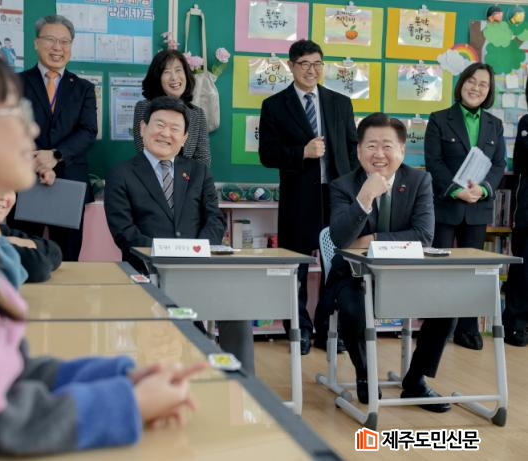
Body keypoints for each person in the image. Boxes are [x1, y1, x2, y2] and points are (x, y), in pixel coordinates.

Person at [0, 42, 203, 459]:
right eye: (12, 113)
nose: (32, 131)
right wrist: (130, 403)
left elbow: (11, 372)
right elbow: (0, 419)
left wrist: (122, 377)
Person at [105, 97, 255, 374]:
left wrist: (195, 253)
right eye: (159, 125)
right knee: (182, 333)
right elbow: (124, 232)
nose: (166, 133)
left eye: (175, 128)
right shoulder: (121, 174)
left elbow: (214, 219)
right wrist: (167, 255)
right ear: (143, 128)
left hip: (197, 270)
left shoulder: (198, 171)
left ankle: (242, 384)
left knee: (236, 308)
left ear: (185, 137)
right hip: (147, 273)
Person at [327, 112, 452, 412]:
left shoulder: (419, 180)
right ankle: (364, 375)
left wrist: (372, 240)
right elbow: (340, 239)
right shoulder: (343, 186)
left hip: (406, 276)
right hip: (354, 276)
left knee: (449, 304)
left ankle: (416, 379)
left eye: (387, 146)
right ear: (359, 150)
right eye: (371, 146)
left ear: (402, 150)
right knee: (353, 308)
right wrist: (364, 199)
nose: (379, 154)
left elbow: (423, 236)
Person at [259, 39, 358, 355]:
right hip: (298, 198)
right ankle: (298, 330)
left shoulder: (340, 103)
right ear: (291, 66)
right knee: (296, 267)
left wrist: (355, 190)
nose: (311, 70)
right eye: (304, 64)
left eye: (317, 64)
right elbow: (267, 154)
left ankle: (329, 330)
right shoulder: (274, 105)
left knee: (337, 267)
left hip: (337, 197)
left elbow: (352, 150)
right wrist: (301, 152)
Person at [424, 62, 506, 351]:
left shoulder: (495, 124)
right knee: (440, 270)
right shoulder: (439, 119)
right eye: (472, 81)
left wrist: (482, 190)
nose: (476, 88)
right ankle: (436, 328)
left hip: (477, 207)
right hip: (446, 205)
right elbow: (434, 162)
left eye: (483, 84)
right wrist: (457, 191)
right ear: (461, 84)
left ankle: (467, 329)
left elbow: (498, 165)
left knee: (474, 271)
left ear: (489, 91)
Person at [7, 15, 98, 261]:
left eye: (64, 41)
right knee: (23, 255)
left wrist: (55, 156)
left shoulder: (84, 88)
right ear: (36, 43)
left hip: (69, 182)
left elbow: (88, 131)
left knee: (68, 258)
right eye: (50, 39)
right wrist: (37, 160)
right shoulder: (15, 83)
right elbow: (9, 127)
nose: (57, 47)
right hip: (25, 179)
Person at [133, 49, 210, 166]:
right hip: (152, 175)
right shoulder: (144, 107)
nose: (174, 77)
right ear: (157, 77)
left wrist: (187, 177)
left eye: (178, 70)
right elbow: (144, 150)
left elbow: (203, 158)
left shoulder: (197, 113)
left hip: (188, 176)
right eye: (166, 72)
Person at [503, 81, 528, 347]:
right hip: (527, 211)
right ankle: (515, 325)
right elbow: (522, 164)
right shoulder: (526, 122)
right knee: (523, 269)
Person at [0, 191, 63, 283]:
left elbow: (55, 252)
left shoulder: (1, 231)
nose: (3, 196)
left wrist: (13, 241)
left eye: (10, 189)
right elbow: (38, 267)